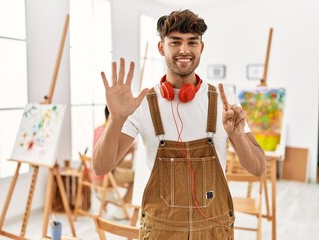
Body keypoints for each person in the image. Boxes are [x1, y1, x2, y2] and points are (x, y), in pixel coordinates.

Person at [93, 9, 265, 239]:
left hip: (214, 231)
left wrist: (238, 136)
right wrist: (115, 119)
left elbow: (259, 168)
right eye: (175, 42)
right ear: (161, 47)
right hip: (160, 233)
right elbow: (100, 167)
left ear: (201, 48)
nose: (184, 50)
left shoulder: (224, 102)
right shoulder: (142, 103)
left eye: (192, 42)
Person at [91, 106, 135, 207]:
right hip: (105, 177)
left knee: (130, 164)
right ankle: (122, 207)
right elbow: (111, 164)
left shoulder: (99, 129)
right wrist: (128, 151)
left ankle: (113, 199)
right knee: (135, 176)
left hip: (93, 176)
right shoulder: (110, 135)